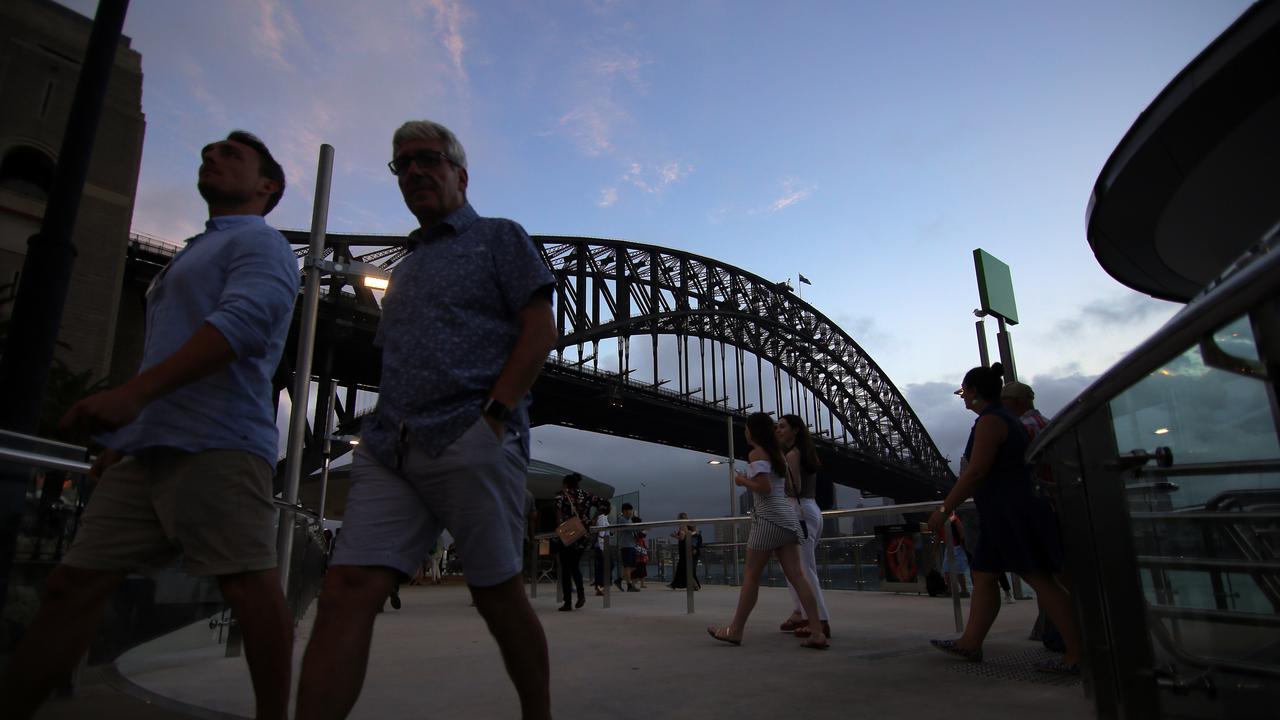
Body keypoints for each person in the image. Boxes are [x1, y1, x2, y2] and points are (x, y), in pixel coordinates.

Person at [0, 131, 297, 720]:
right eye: (207, 150)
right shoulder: (195, 251)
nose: (210, 156)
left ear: (266, 188)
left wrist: (132, 397)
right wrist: (126, 437)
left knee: (248, 591)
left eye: (230, 155)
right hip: (148, 450)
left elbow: (241, 327)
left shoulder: (262, 247)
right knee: (69, 589)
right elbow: (166, 348)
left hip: (218, 443)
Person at [294, 120, 557, 720]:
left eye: (428, 160)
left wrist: (493, 417)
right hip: (391, 447)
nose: (414, 171)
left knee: (496, 597)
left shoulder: (499, 238)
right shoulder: (406, 269)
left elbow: (540, 330)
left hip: (469, 434)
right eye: (402, 164)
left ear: (460, 175)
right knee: (345, 593)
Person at [927, 363, 1081, 674]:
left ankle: (1078, 654)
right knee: (984, 577)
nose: (962, 397)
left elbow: (977, 472)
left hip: (1011, 511)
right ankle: (970, 643)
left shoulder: (992, 421)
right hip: (1000, 511)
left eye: (963, 391)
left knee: (1041, 580)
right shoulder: (1004, 419)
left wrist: (944, 509)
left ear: (973, 392)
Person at [707, 413, 828, 649]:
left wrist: (742, 482)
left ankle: (735, 631)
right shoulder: (779, 454)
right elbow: (786, 486)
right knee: (798, 576)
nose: (745, 432)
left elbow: (764, 487)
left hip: (768, 519)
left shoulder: (756, 454)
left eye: (747, 428)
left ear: (753, 431)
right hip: (788, 518)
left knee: (751, 576)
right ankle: (817, 631)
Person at [775, 414, 832, 639]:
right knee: (793, 567)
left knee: (804, 569)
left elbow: (793, 488)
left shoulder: (792, 455)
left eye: (782, 427)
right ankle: (800, 611)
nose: (778, 430)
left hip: (797, 511)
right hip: (811, 510)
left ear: (795, 430)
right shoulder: (804, 453)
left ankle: (821, 620)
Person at [552, 473, 597, 611]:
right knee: (575, 566)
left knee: (566, 569)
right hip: (582, 535)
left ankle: (567, 602)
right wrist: (591, 521)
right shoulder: (587, 495)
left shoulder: (561, 496)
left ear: (565, 484)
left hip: (567, 535)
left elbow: (558, 513)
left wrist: (561, 524)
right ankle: (581, 595)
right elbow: (605, 505)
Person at [668, 512, 701, 590]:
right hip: (687, 548)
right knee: (682, 568)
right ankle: (674, 584)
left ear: (679, 518)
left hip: (684, 548)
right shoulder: (690, 525)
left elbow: (682, 538)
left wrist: (674, 536)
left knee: (685, 568)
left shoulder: (682, 526)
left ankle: (695, 585)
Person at [614, 503, 640, 592]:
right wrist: (638, 525)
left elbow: (634, 530)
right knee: (628, 566)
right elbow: (630, 528)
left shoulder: (630, 520)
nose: (631, 512)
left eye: (631, 510)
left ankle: (619, 579)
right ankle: (629, 585)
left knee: (633, 566)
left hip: (632, 545)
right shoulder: (621, 519)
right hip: (625, 546)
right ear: (624, 511)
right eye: (629, 510)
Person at [592, 502, 611, 595]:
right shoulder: (602, 518)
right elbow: (601, 534)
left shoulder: (602, 518)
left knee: (601, 567)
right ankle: (600, 586)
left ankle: (599, 586)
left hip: (601, 545)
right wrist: (602, 548)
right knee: (604, 566)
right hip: (602, 545)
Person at [632, 517, 649, 588]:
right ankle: (634, 583)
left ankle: (642, 583)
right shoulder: (635, 530)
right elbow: (642, 535)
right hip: (638, 552)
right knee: (639, 569)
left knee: (642, 569)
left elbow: (643, 535)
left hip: (641, 551)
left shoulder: (638, 530)